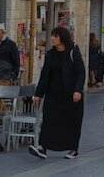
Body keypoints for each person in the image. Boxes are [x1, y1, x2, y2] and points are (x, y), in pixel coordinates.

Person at [28, 26, 86, 159]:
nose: (53, 38)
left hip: (70, 95)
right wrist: (38, 94)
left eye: (56, 36)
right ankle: (43, 147)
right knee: (49, 120)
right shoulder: (51, 54)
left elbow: (80, 72)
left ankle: (73, 148)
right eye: (52, 36)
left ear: (63, 38)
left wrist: (78, 90)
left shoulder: (73, 53)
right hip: (53, 94)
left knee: (71, 122)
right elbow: (44, 75)